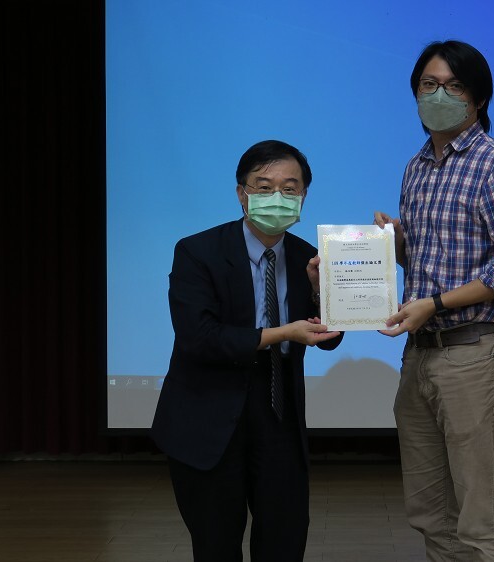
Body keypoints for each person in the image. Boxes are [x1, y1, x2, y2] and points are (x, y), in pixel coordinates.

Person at [374, 40, 494, 561]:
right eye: (429, 85)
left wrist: (437, 303)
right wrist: (392, 245)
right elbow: (427, 262)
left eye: (453, 86)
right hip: (420, 353)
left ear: (478, 98)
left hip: (474, 354)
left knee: (479, 517)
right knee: (430, 511)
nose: (438, 95)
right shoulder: (417, 167)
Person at [151, 139, 343, 561]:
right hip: (208, 415)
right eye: (264, 186)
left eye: (290, 188)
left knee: (284, 540)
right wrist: (282, 332)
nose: (278, 197)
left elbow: (331, 339)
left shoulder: (310, 258)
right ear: (242, 193)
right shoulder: (198, 251)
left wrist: (320, 293)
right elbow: (199, 338)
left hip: (277, 411)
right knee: (216, 545)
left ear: (304, 196)